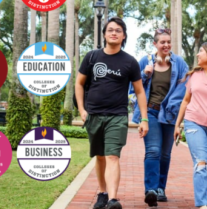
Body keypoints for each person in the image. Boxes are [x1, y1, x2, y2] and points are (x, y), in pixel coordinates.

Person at [75, 17, 149, 209]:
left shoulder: (130, 62)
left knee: (112, 156)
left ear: (124, 35)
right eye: (110, 30)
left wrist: (144, 118)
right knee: (99, 156)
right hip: (94, 115)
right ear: (104, 34)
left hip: (117, 116)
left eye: (118, 30)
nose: (114, 33)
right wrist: (82, 109)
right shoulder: (92, 57)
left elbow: (140, 91)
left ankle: (113, 200)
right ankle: (102, 193)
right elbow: (79, 83)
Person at [130, 28, 188, 207]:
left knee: (165, 153)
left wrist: (175, 109)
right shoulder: (144, 62)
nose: (166, 45)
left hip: (170, 113)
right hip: (151, 112)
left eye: (169, 42)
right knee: (153, 150)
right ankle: (151, 190)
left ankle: (161, 188)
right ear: (154, 44)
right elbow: (134, 89)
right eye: (162, 42)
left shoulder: (179, 63)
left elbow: (184, 87)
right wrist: (144, 75)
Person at [174, 42, 207, 209]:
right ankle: (203, 204)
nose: (198, 54)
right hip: (194, 122)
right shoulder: (195, 76)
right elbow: (185, 101)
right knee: (201, 162)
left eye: (201, 51)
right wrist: (177, 124)